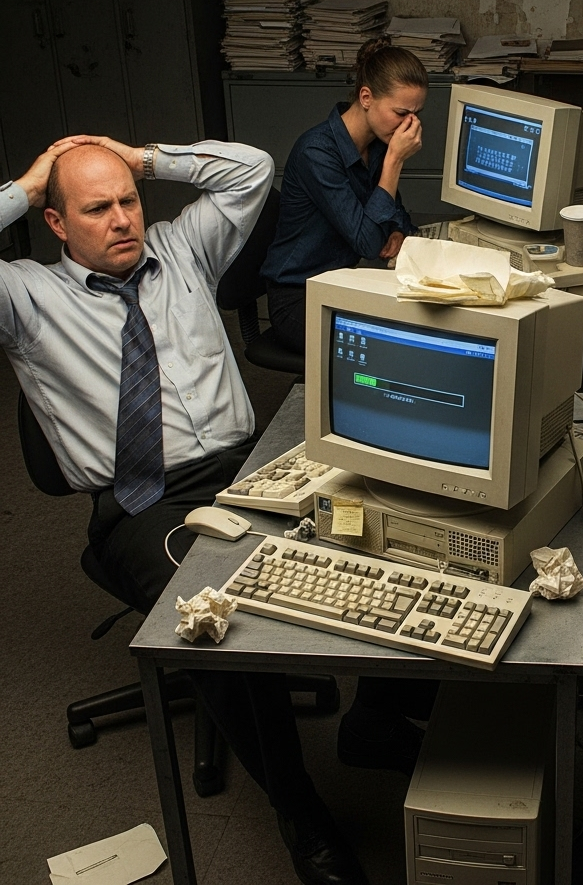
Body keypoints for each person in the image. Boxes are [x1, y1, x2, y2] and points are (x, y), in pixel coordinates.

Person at [1, 135, 367, 885]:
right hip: (143, 502)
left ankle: (383, 720)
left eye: (127, 201)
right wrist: (30, 179)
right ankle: (302, 815)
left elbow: (255, 169)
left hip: (247, 469)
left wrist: (143, 159)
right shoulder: (27, 297)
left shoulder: (183, 249)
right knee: (225, 614)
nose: (122, 219)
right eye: (96, 209)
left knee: (396, 529)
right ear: (56, 223)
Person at [262, 36, 428, 353]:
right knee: (393, 348)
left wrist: (396, 230)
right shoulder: (317, 152)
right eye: (401, 112)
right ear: (366, 97)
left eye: (416, 114)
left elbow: (399, 215)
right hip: (299, 297)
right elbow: (367, 243)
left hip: (341, 284)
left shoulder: (379, 143)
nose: (411, 125)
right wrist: (395, 161)